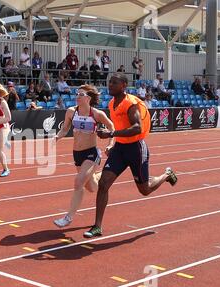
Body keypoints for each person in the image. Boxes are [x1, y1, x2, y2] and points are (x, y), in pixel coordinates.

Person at [84, 73, 178, 238]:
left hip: (136, 149)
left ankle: (167, 175)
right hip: (120, 149)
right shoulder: (112, 103)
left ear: (124, 86)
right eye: (109, 82)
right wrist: (112, 140)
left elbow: (137, 128)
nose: (110, 85)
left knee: (145, 189)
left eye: (114, 83)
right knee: (104, 184)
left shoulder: (130, 103)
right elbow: (118, 125)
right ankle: (97, 226)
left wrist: (111, 133)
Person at [54, 85, 115, 228]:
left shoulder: (97, 114)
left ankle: (68, 217)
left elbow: (112, 127)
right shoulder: (71, 112)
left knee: (78, 182)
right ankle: (99, 176)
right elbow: (65, 129)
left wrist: (110, 144)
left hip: (91, 153)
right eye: (77, 93)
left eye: (81, 94)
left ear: (88, 98)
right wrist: (57, 136)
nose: (77, 96)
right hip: (77, 154)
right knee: (91, 187)